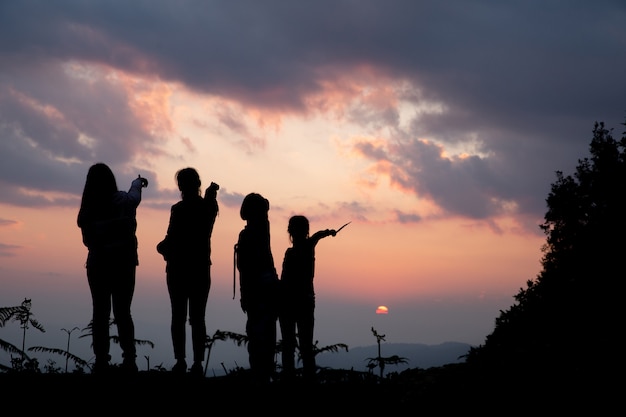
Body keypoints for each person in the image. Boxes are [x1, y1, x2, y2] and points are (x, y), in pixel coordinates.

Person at [77, 163, 147, 374]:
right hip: (124, 264)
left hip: (98, 264)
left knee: (100, 313)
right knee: (123, 312)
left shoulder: (88, 209)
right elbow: (135, 196)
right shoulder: (124, 202)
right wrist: (137, 183)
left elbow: (87, 240)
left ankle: (101, 361)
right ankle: (129, 360)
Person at [156, 168, 219, 376]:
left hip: (178, 269)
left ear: (181, 186)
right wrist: (210, 195)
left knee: (178, 317)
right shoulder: (207, 207)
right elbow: (207, 220)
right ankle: (198, 363)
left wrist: (161, 247)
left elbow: (170, 238)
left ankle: (181, 361)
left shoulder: (178, 209)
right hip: (200, 268)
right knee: (198, 318)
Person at [278, 215, 336, 382]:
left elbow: (283, 279)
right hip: (304, 301)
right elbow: (317, 235)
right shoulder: (307, 246)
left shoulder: (293, 252)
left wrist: (327, 232)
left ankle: (289, 378)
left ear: (290, 231)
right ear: (306, 231)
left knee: (289, 345)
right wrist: (328, 232)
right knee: (305, 345)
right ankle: (308, 379)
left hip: (289, 302)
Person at [235, 193, 280, 384]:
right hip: (269, 288)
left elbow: (244, 269)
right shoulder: (263, 229)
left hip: (255, 290)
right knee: (268, 334)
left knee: (256, 334)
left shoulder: (248, 235)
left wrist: (245, 294)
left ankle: (259, 374)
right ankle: (265, 372)